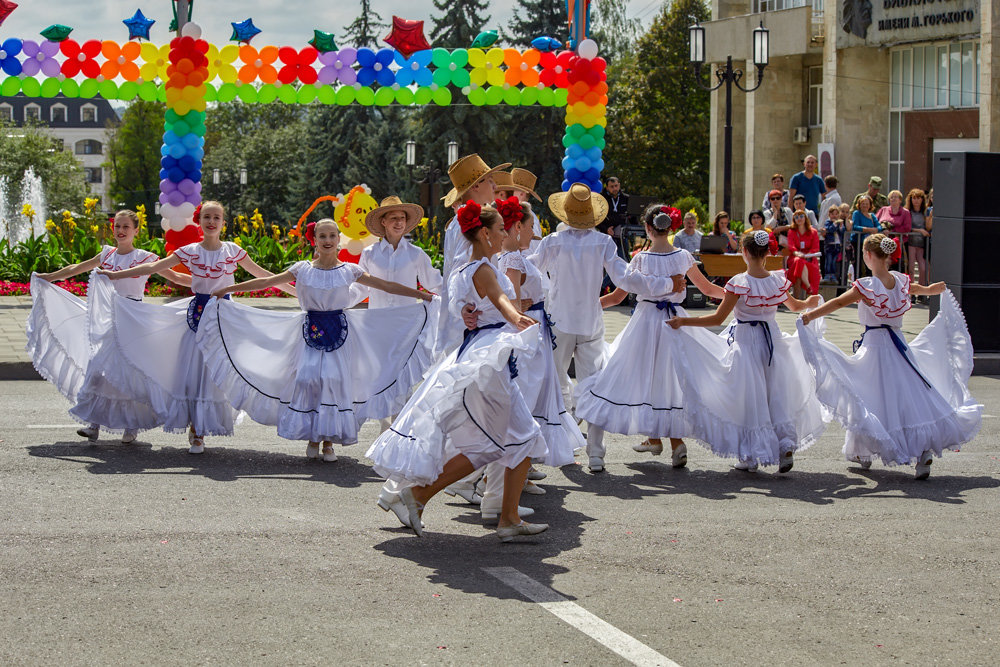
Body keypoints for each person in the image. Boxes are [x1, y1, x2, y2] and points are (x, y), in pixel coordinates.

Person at [367, 201, 549, 542]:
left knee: (520, 437)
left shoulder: (465, 270)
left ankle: (507, 518)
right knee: (495, 442)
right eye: (499, 230)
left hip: (483, 351)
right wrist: (517, 318)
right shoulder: (482, 269)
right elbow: (498, 299)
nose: (504, 234)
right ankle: (421, 495)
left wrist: (480, 313)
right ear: (484, 233)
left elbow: (472, 307)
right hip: (486, 360)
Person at [198, 218, 435, 462]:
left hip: (340, 335)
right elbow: (268, 282)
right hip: (308, 332)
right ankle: (313, 436)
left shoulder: (349, 271)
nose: (328, 240)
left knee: (333, 381)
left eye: (332, 236)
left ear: (338, 239)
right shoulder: (303, 269)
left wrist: (421, 295)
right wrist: (228, 289)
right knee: (309, 379)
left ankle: (328, 441)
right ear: (315, 241)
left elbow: (385, 285)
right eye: (323, 236)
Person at [96, 201, 294, 454]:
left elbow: (263, 276)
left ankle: (202, 427)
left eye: (217, 218)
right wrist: (115, 275)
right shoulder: (190, 251)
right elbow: (153, 268)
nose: (211, 222)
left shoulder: (232, 251)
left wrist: (299, 292)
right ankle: (197, 431)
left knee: (216, 373)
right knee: (194, 372)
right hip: (196, 316)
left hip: (224, 317)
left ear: (223, 223)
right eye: (206, 217)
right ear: (199, 221)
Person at [797, 234, 981, 479]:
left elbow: (840, 303)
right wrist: (930, 289)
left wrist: (812, 315)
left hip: (875, 347)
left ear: (870, 256)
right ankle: (915, 449)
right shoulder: (900, 280)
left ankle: (871, 449)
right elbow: (916, 288)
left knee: (867, 396)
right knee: (907, 395)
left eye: (864, 253)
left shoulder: (867, 285)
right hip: (900, 347)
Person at [528, 184, 677, 473]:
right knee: (594, 386)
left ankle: (564, 444)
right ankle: (596, 453)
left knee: (558, 386)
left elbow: (529, 270)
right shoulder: (602, 243)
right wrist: (666, 284)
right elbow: (627, 279)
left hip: (559, 321)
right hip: (590, 321)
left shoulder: (553, 241)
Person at [575, 204, 725, 468]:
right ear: (671, 228)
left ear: (647, 228)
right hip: (675, 321)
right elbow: (708, 288)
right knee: (672, 379)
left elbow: (617, 297)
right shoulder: (683, 256)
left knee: (643, 376)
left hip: (644, 322)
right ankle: (669, 441)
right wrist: (739, 293)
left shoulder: (641, 259)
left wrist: (585, 306)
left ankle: (657, 438)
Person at [666, 230, 827, 472]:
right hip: (774, 341)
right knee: (776, 394)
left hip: (748, 344)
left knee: (751, 398)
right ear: (765, 254)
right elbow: (795, 306)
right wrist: (810, 304)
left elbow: (718, 317)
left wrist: (684, 322)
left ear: (745, 252)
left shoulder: (739, 283)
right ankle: (784, 445)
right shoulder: (776, 280)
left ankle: (751, 453)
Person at [28, 210, 191, 443]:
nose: (121, 231)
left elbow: (175, 277)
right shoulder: (106, 255)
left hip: (133, 320)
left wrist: (207, 284)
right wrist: (49, 277)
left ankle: (131, 426)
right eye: (117, 227)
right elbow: (76, 268)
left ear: (136, 230)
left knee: (129, 374)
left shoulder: (145, 257)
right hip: (108, 319)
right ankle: (93, 424)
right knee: (99, 370)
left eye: (126, 227)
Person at [479, 196, 582, 515]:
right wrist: (525, 320)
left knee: (531, 406)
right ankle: (490, 485)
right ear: (518, 226)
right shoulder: (513, 260)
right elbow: (513, 301)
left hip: (537, 332)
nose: (534, 229)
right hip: (528, 335)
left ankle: (512, 482)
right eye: (531, 224)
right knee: (523, 407)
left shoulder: (518, 257)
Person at [437, 154, 511, 356]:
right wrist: (461, 307)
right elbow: (461, 271)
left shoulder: (464, 220)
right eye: (489, 180)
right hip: (475, 324)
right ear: (476, 186)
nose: (495, 185)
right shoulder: (470, 223)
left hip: (471, 321)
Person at [786, 210, 821, 297]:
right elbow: (791, 246)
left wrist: (807, 254)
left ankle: (807, 290)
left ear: (805, 218)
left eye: (801, 216)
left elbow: (815, 247)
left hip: (809, 257)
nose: (799, 219)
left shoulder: (813, 232)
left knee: (802, 265)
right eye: (796, 217)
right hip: (795, 257)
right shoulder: (792, 231)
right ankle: (808, 286)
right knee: (799, 261)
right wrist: (797, 253)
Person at [876, 189, 911, 269]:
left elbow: (907, 227)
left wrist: (892, 231)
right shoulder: (883, 210)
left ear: (900, 200)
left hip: (899, 244)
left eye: (896, 197)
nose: (893, 199)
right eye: (891, 197)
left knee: (897, 267)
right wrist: (883, 228)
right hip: (883, 242)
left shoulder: (905, 212)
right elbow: (875, 222)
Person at [905, 188, 932, 288]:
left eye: (918, 198)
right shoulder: (908, 212)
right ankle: (910, 292)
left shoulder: (925, 212)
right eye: (914, 198)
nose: (916, 201)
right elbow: (907, 228)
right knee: (911, 269)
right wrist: (920, 231)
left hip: (921, 244)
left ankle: (921, 290)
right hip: (911, 243)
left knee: (923, 268)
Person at [822, 203, 846, 282]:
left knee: (834, 261)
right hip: (829, 245)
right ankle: (827, 275)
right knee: (828, 261)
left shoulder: (839, 223)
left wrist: (841, 226)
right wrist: (835, 224)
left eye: (836, 214)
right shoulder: (828, 222)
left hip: (837, 245)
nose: (834, 216)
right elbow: (830, 230)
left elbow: (842, 232)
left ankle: (833, 275)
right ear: (829, 214)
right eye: (832, 214)